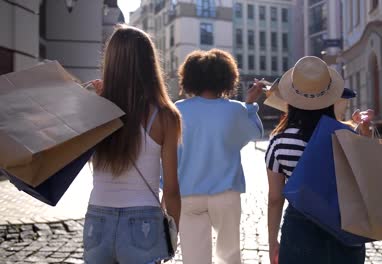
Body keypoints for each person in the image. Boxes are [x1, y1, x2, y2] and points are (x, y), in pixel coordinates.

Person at [83, 25, 182, 264]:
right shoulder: (165, 115)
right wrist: (174, 231)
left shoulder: (94, 110)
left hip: (97, 217)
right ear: (150, 64)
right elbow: (170, 189)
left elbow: (78, 156)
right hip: (144, 220)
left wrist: (87, 101)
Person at [265, 56, 372, 264]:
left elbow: (275, 199)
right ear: (331, 97)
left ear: (291, 99)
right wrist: (365, 138)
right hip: (346, 227)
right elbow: (364, 180)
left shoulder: (280, 141)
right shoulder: (348, 135)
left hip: (299, 229)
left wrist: (272, 242)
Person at [175, 49, 264, 264]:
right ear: (227, 78)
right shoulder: (235, 110)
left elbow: (170, 154)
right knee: (229, 255)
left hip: (187, 193)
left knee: (194, 257)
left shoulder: (178, 110)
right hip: (225, 193)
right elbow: (255, 133)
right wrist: (250, 105)